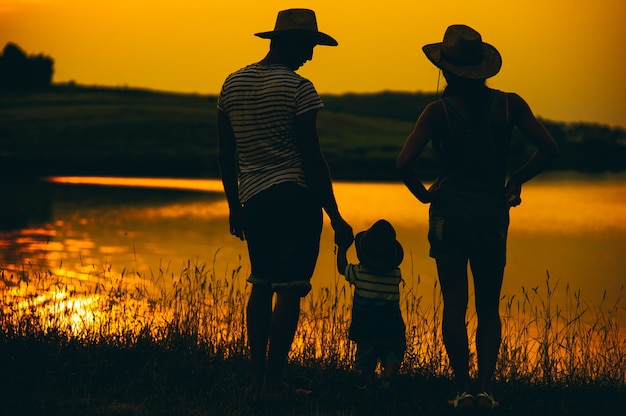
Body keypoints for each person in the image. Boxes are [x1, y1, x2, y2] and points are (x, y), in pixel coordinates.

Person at [396, 25, 558, 410]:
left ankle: (463, 388)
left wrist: (425, 195)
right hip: (491, 213)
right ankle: (485, 390)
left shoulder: (437, 112)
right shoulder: (509, 105)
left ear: (447, 70)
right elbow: (549, 149)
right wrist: (515, 180)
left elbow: (404, 163)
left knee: (454, 303)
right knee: (488, 306)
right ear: (482, 69)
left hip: (449, 213)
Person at [217, 8, 354, 400]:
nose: (310, 56)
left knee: (261, 284)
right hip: (296, 198)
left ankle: (255, 379)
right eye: (308, 46)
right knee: (290, 289)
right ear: (290, 44)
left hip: (254, 199)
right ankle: (273, 384)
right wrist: (336, 215)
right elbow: (312, 159)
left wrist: (234, 204)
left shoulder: (232, 83)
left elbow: (226, 154)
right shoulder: (299, 88)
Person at [336, 219, 406, 396]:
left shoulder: (359, 272)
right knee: (392, 352)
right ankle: (387, 378)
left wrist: (343, 249)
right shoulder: (396, 274)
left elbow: (342, 268)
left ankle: (366, 381)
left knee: (365, 357)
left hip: (365, 326)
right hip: (391, 325)